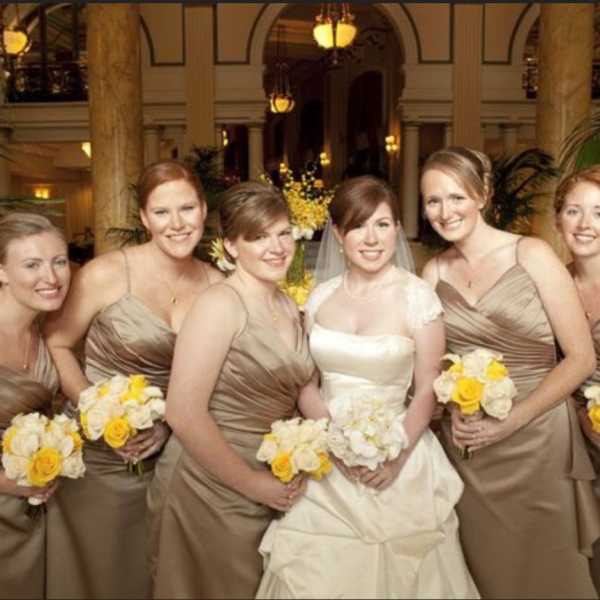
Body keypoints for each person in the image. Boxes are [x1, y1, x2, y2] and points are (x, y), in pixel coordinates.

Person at [257, 176, 479, 599]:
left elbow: (427, 389)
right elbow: (307, 384)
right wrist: (336, 444)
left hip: (400, 455)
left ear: (397, 229)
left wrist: (395, 458)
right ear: (338, 234)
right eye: (358, 226)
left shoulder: (419, 298)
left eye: (382, 224)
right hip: (328, 456)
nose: (372, 238)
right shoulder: (319, 298)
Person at [420, 146, 600, 599]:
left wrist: (513, 420)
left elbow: (580, 358)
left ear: (482, 194)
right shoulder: (433, 271)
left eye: (457, 196)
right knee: (485, 569)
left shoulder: (532, 254)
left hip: (540, 439)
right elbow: (431, 367)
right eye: (433, 200)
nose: (445, 211)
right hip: (473, 447)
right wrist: (451, 410)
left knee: (550, 569)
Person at [44, 160, 223, 599]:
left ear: (203, 210)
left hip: (174, 462)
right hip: (98, 463)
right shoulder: (106, 273)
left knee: (162, 577)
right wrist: (98, 411)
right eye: (162, 212)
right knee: (102, 577)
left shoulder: (219, 286)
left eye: (187, 208)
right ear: (144, 218)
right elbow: (57, 344)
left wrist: (169, 427)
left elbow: (215, 383)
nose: (177, 224)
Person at [149, 181, 313, 599]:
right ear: (231, 246)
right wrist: (253, 484)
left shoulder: (287, 306)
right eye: (258, 237)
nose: (277, 247)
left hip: (270, 473)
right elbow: (183, 413)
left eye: (283, 233)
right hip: (208, 482)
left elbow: (301, 392)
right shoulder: (219, 304)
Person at [0, 212, 71, 599]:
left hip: (35, 513)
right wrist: (6, 482)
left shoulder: (50, 332)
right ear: (1, 271)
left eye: (59, 261)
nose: (52, 277)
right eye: (32, 265)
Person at [555, 165, 600, 592]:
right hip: (565, 442)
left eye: (599, 213)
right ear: (558, 220)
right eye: (574, 211)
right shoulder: (548, 285)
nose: (585, 224)